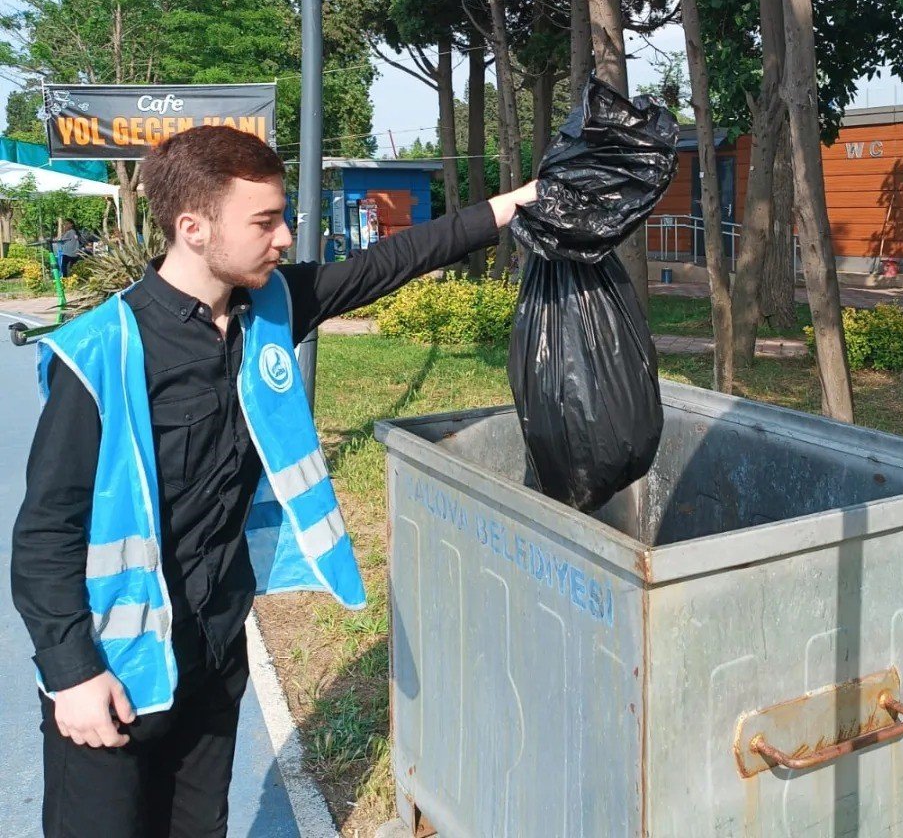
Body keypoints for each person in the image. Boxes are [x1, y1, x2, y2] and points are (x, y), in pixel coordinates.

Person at [11, 126, 537, 837]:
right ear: (193, 228)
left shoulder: (272, 309)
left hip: (215, 649)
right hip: (116, 670)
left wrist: (512, 205)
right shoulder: (98, 353)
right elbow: (45, 534)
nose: (285, 236)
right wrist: (71, 672)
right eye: (264, 221)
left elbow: (390, 262)